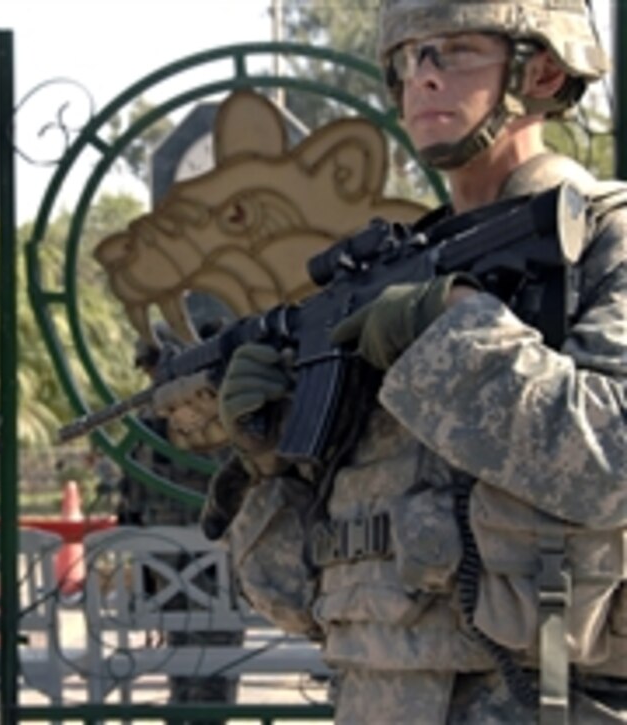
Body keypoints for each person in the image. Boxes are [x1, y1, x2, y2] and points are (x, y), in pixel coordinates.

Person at [193, 1, 627, 722]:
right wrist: (269, 467)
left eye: (452, 52)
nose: (421, 79)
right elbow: (304, 601)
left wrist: (450, 330)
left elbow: (615, 458)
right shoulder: (382, 283)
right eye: (407, 60)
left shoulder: (602, 241)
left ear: (541, 69)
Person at [118, 324, 243, 723]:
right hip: (207, 560)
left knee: (191, 653)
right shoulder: (215, 413)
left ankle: (191, 710)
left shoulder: (147, 426)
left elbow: (132, 501)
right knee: (210, 653)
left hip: (175, 560)